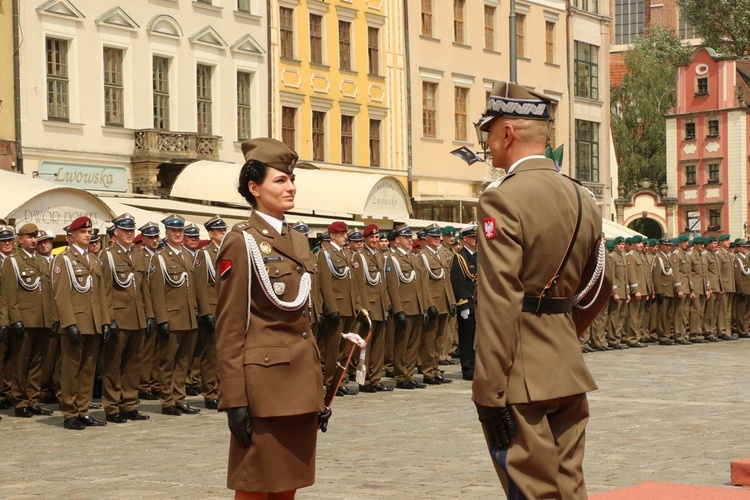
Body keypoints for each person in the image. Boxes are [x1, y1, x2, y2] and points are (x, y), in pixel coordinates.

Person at [472, 81, 608, 498]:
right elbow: (600, 285)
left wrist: (489, 389)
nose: (489, 146)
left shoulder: (501, 199)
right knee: (570, 487)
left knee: (532, 490)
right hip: (566, 363)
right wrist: (562, 331)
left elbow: (498, 300)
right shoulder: (582, 196)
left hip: (520, 372)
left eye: (490, 134)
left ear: (507, 134)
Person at [215, 137, 327, 498]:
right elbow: (230, 327)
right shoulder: (241, 241)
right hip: (264, 390)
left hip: (299, 386)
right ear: (254, 187)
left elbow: (305, 323)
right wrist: (234, 399)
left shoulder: (297, 239)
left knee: (288, 486)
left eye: (292, 179)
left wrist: (318, 391)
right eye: (280, 180)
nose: (291, 187)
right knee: (255, 487)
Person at [52, 217, 111, 430]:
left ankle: (83, 411)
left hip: (93, 322)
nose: (88, 235)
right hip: (76, 322)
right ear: (72, 235)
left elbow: (101, 294)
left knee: (88, 369)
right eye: (83, 232)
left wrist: (105, 321)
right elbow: (61, 295)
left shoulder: (94, 259)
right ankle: (69, 412)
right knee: (71, 369)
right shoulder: (64, 259)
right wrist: (69, 323)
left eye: (89, 231)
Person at [100, 213, 154, 423]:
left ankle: (129, 404)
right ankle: (112, 407)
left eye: (132, 230)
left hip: (138, 316)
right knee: (114, 364)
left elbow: (144, 289)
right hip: (119, 316)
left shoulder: (138, 255)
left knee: (133, 363)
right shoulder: (108, 256)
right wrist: (109, 318)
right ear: (116, 233)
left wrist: (149, 315)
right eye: (126, 231)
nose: (130, 234)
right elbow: (104, 290)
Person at [2, 223, 58, 417]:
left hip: (42, 319)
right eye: (29, 237)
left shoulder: (42, 262)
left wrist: (53, 317)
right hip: (25, 319)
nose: (34, 240)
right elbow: (9, 294)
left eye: (35, 236)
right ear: (21, 240)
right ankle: (19, 402)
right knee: (21, 362)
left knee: (36, 362)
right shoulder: (13, 261)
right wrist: (14, 319)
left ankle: (33, 399)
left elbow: (49, 293)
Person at [192, 215, 226, 409]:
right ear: (211, 234)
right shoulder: (204, 254)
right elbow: (200, 286)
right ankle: (210, 393)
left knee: (225, 353)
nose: (224, 233)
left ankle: (224, 390)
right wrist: (205, 312)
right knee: (211, 355)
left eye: (224, 230)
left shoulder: (226, 252)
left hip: (226, 309)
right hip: (212, 309)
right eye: (220, 231)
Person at [450, 223, 478, 380]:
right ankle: (467, 368)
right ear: (465, 239)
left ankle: (476, 366)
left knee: (476, 337)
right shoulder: (459, 257)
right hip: (467, 302)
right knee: (467, 338)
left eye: (476, 237)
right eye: (472, 237)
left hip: (477, 302)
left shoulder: (476, 256)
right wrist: (462, 305)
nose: (475, 240)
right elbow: (458, 282)